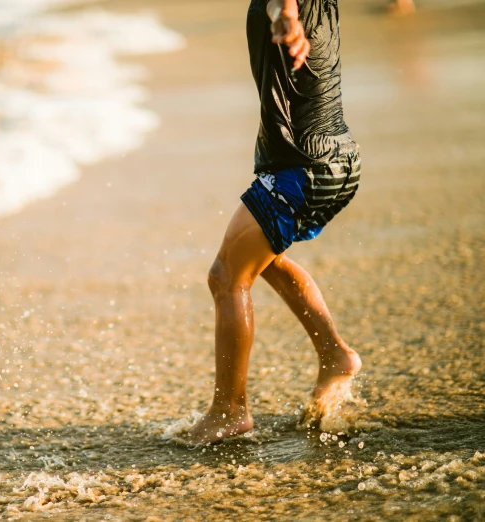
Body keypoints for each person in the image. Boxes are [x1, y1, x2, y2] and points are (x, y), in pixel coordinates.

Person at [189, 0, 362, 444]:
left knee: (225, 278)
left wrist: (285, 10)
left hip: (299, 170)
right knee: (261, 260)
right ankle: (333, 354)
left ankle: (229, 411)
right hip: (335, 161)